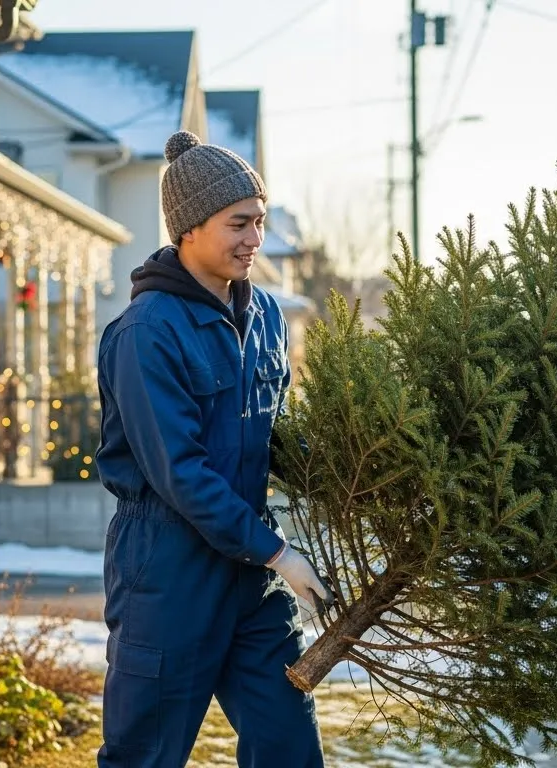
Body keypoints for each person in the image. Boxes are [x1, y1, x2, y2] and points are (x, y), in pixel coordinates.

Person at [94, 129, 331, 768]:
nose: (255, 238)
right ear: (190, 228)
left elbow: (274, 429)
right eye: (239, 223)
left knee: (288, 746)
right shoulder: (146, 334)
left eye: (259, 221)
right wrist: (280, 554)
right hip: (167, 574)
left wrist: (351, 473)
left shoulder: (265, 320)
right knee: (144, 755)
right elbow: (181, 473)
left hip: (248, 578)